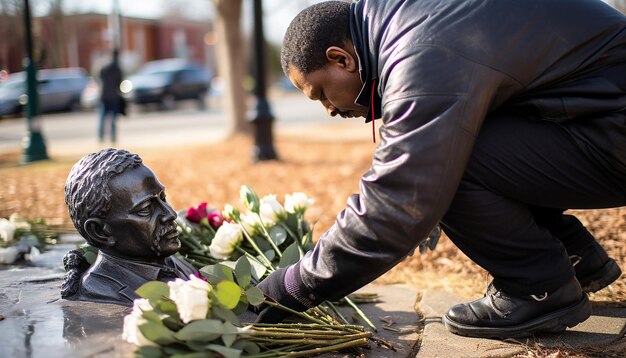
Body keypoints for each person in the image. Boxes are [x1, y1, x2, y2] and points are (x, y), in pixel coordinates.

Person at [255, 0, 626, 339]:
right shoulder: (410, 18)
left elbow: (401, 198)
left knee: (446, 164)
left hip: (611, 126)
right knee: (454, 145)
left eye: (320, 93)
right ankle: (574, 257)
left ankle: (539, 286)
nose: (330, 110)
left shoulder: (418, 51)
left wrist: (287, 289)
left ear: (341, 59)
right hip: (600, 112)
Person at [62, 148, 197, 306]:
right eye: (146, 209)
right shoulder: (102, 291)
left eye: (163, 198)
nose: (170, 213)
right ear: (100, 232)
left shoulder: (180, 265)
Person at [98, 50, 125, 143]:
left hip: (105, 96)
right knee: (111, 119)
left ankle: (101, 137)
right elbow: (120, 83)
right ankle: (111, 137)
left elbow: (99, 78)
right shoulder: (117, 69)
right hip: (112, 97)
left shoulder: (103, 68)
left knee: (103, 119)